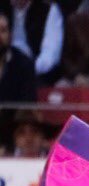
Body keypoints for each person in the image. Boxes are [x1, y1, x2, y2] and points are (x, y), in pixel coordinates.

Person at [1, 0, 64, 85]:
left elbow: (49, 56)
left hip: (36, 75)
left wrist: (26, 71)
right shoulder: (3, 8)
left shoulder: (48, 10)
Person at [0, 13, 37, 148]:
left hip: (13, 130)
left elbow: (28, 105)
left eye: (3, 31)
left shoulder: (23, 64)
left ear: (10, 35)